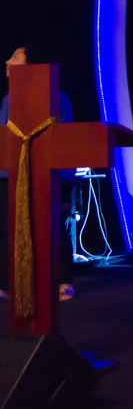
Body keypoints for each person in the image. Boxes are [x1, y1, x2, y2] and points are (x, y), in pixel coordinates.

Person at [1, 41, 76, 302]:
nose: (7, 62)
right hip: (11, 175)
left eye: (15, 57)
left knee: (52, 226)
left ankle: (62, 280)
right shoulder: (8, 99)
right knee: (8, 226)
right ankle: (9, 282)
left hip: (49, 174)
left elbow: (61, 141)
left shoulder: (57, 95)